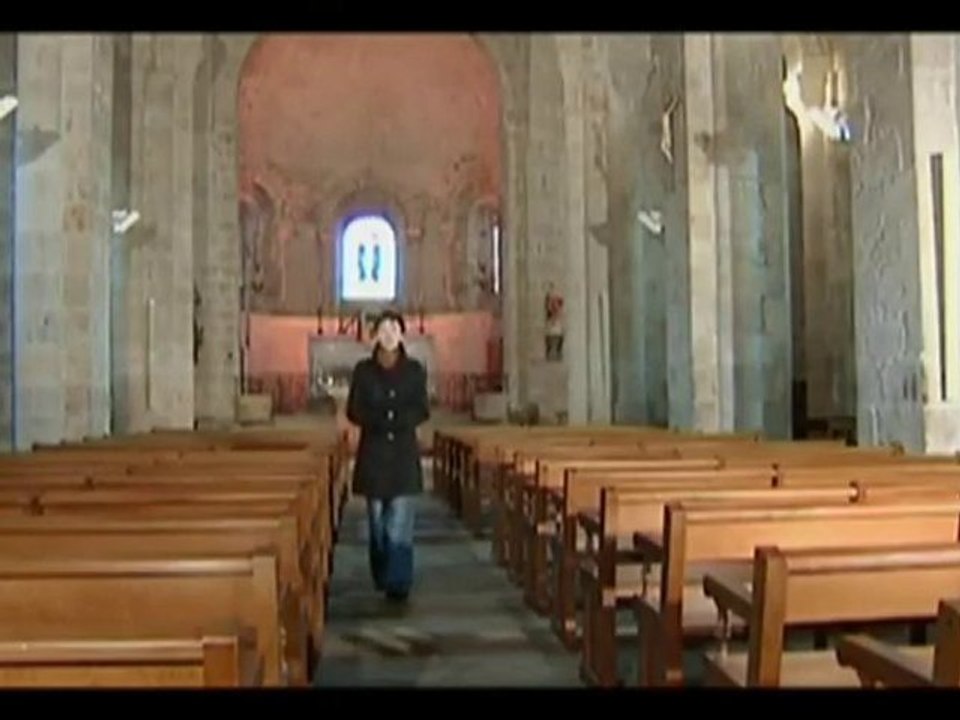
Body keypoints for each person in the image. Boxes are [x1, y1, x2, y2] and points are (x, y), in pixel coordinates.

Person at [346, 310, 430, 602]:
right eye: (383, 330)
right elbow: (353, 410)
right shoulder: (363, 371)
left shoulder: (415, 370)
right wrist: (382, 419)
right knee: (378, 524)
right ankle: (382, 572)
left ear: (402, 334)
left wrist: (394, 419)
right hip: (374, 457)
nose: (389, 335)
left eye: (393, 329)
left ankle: (399, 582)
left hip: (403, 457)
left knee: (400, 524)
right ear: (375, 335)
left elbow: (422, 408)